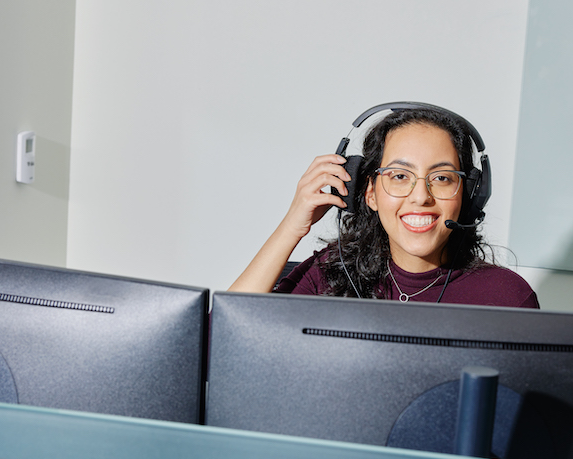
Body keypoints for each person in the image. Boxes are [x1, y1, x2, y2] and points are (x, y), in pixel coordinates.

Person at [229, 105, 539, 309]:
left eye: (442, 177)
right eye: (400, 176)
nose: (421, 196)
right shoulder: (330, 275)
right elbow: (222, 340)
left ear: (468, 195)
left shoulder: (507, 298)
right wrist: (292, 227)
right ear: (370, 193)